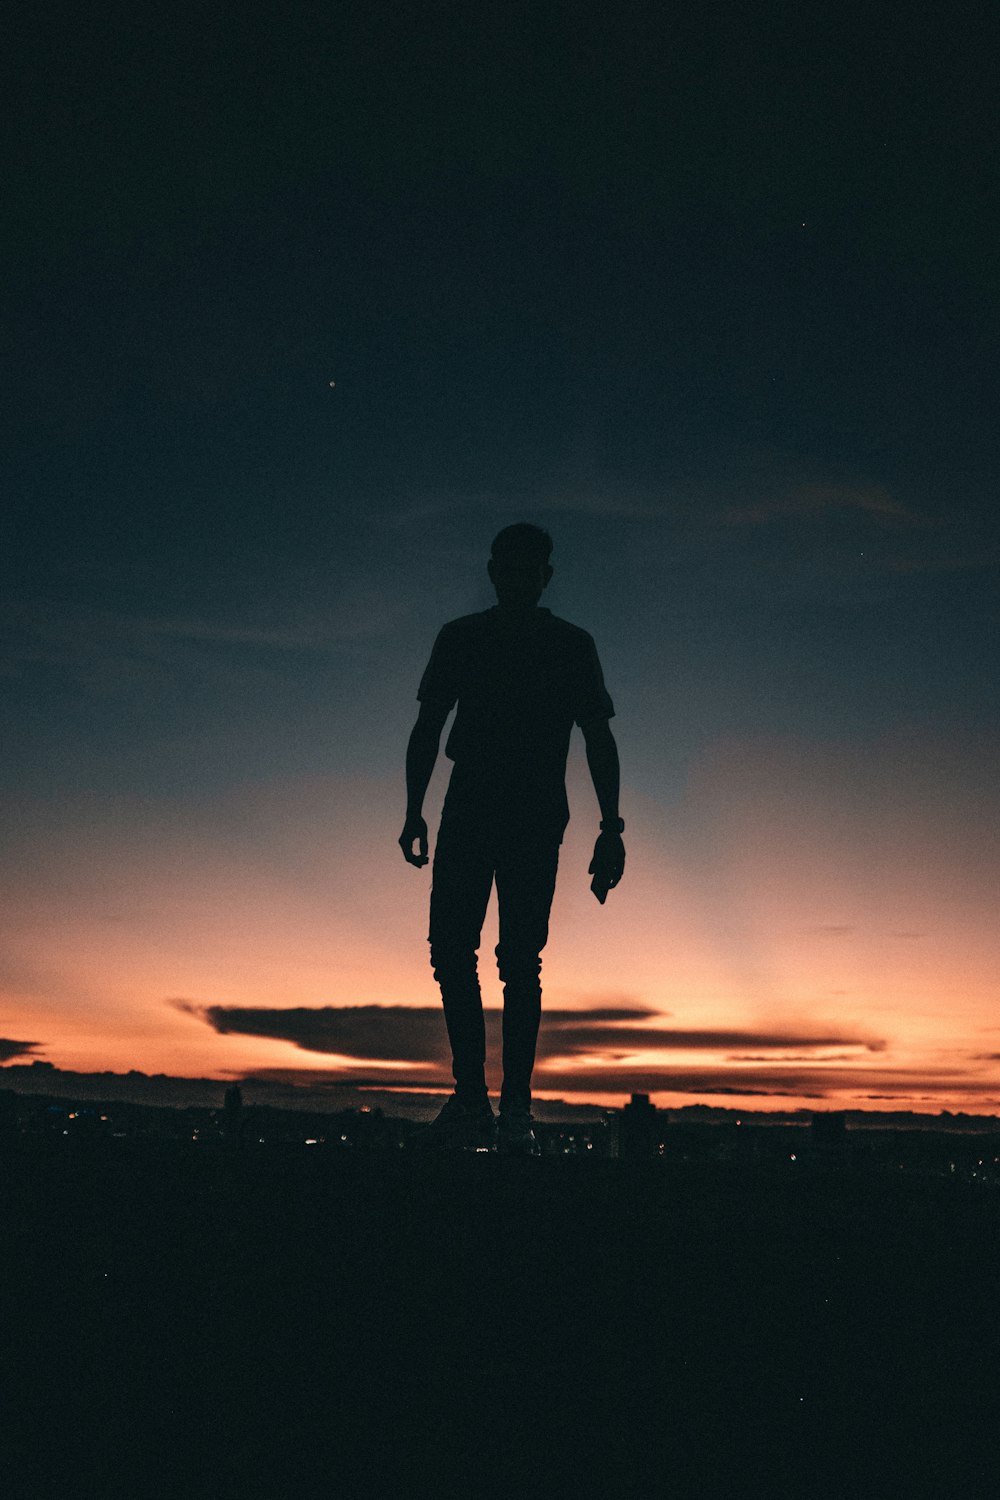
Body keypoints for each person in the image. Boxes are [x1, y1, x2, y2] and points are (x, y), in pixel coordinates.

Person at [399, 523, 625, 1156]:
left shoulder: (571, 645)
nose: (519, 577)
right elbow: (428, 723)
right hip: (471, 806)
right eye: (510, 567)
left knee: (517, 961)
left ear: (543, 576)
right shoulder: (462, 638)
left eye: (530, 568)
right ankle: (476, 1103)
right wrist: (414, 808)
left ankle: (513, 1111)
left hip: (529, 812)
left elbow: (598, 737)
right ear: (496, 571)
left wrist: (612, 827)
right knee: (455, 951)